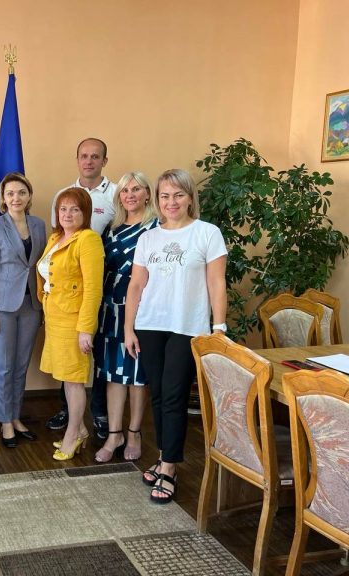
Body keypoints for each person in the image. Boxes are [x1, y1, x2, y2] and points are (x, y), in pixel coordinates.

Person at [124, 168, 227, 503]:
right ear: (157, 200)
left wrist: (219, 328)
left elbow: (216, 283)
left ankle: (169, 467)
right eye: (165, 196)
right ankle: (164, 455)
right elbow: (136, 285)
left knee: (174, 395)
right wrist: (128, 328)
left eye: (178, 195)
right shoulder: (148, 238)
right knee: (157, 394)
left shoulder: (207, 233)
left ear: (190, 198)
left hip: (188, 327)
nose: (171, 202)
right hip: (150, 325)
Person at [46, 137, 118, 440]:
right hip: (67, 294)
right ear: (77, 160)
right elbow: (58, 240)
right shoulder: (63, 195)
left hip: (102, 284)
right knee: (70, 363)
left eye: (95, 156)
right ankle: (71, 415)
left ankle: (97, 413)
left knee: (96, 355)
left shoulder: (116, 194)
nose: (89, 161)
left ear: (104, 161)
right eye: (84, 156)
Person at [93, 172, 158, 463]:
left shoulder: (157, 227)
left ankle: (134, 433)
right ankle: (114, 434)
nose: (130, 195)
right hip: (110, 307)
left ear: (147, 194)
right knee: (113, 373)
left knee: (137, 375)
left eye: (136, 189)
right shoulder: (112, 227)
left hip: (142, 307)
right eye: (124, 190)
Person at [0, 173, 46, 448]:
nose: (16, 198)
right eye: (10, 193)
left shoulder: (39, 225)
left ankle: (16, 416)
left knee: (21, 365)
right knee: (4, 366)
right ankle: (5, 420)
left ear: (29, 196)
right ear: (3, 199)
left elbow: (42, 265)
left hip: (32, 305)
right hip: (2, 308)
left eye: (21, 192)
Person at [37, 187, 104, 460]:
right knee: (66, 377)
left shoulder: (88, 240)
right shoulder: (56, 237)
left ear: (85, 213)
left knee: (74, 380)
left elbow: (93, 289)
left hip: (74, 321)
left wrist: (85, 329)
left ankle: (73, 434)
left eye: (75, 209)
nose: (67, 214)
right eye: (63, 209)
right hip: (55, 317)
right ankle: (81, 430)